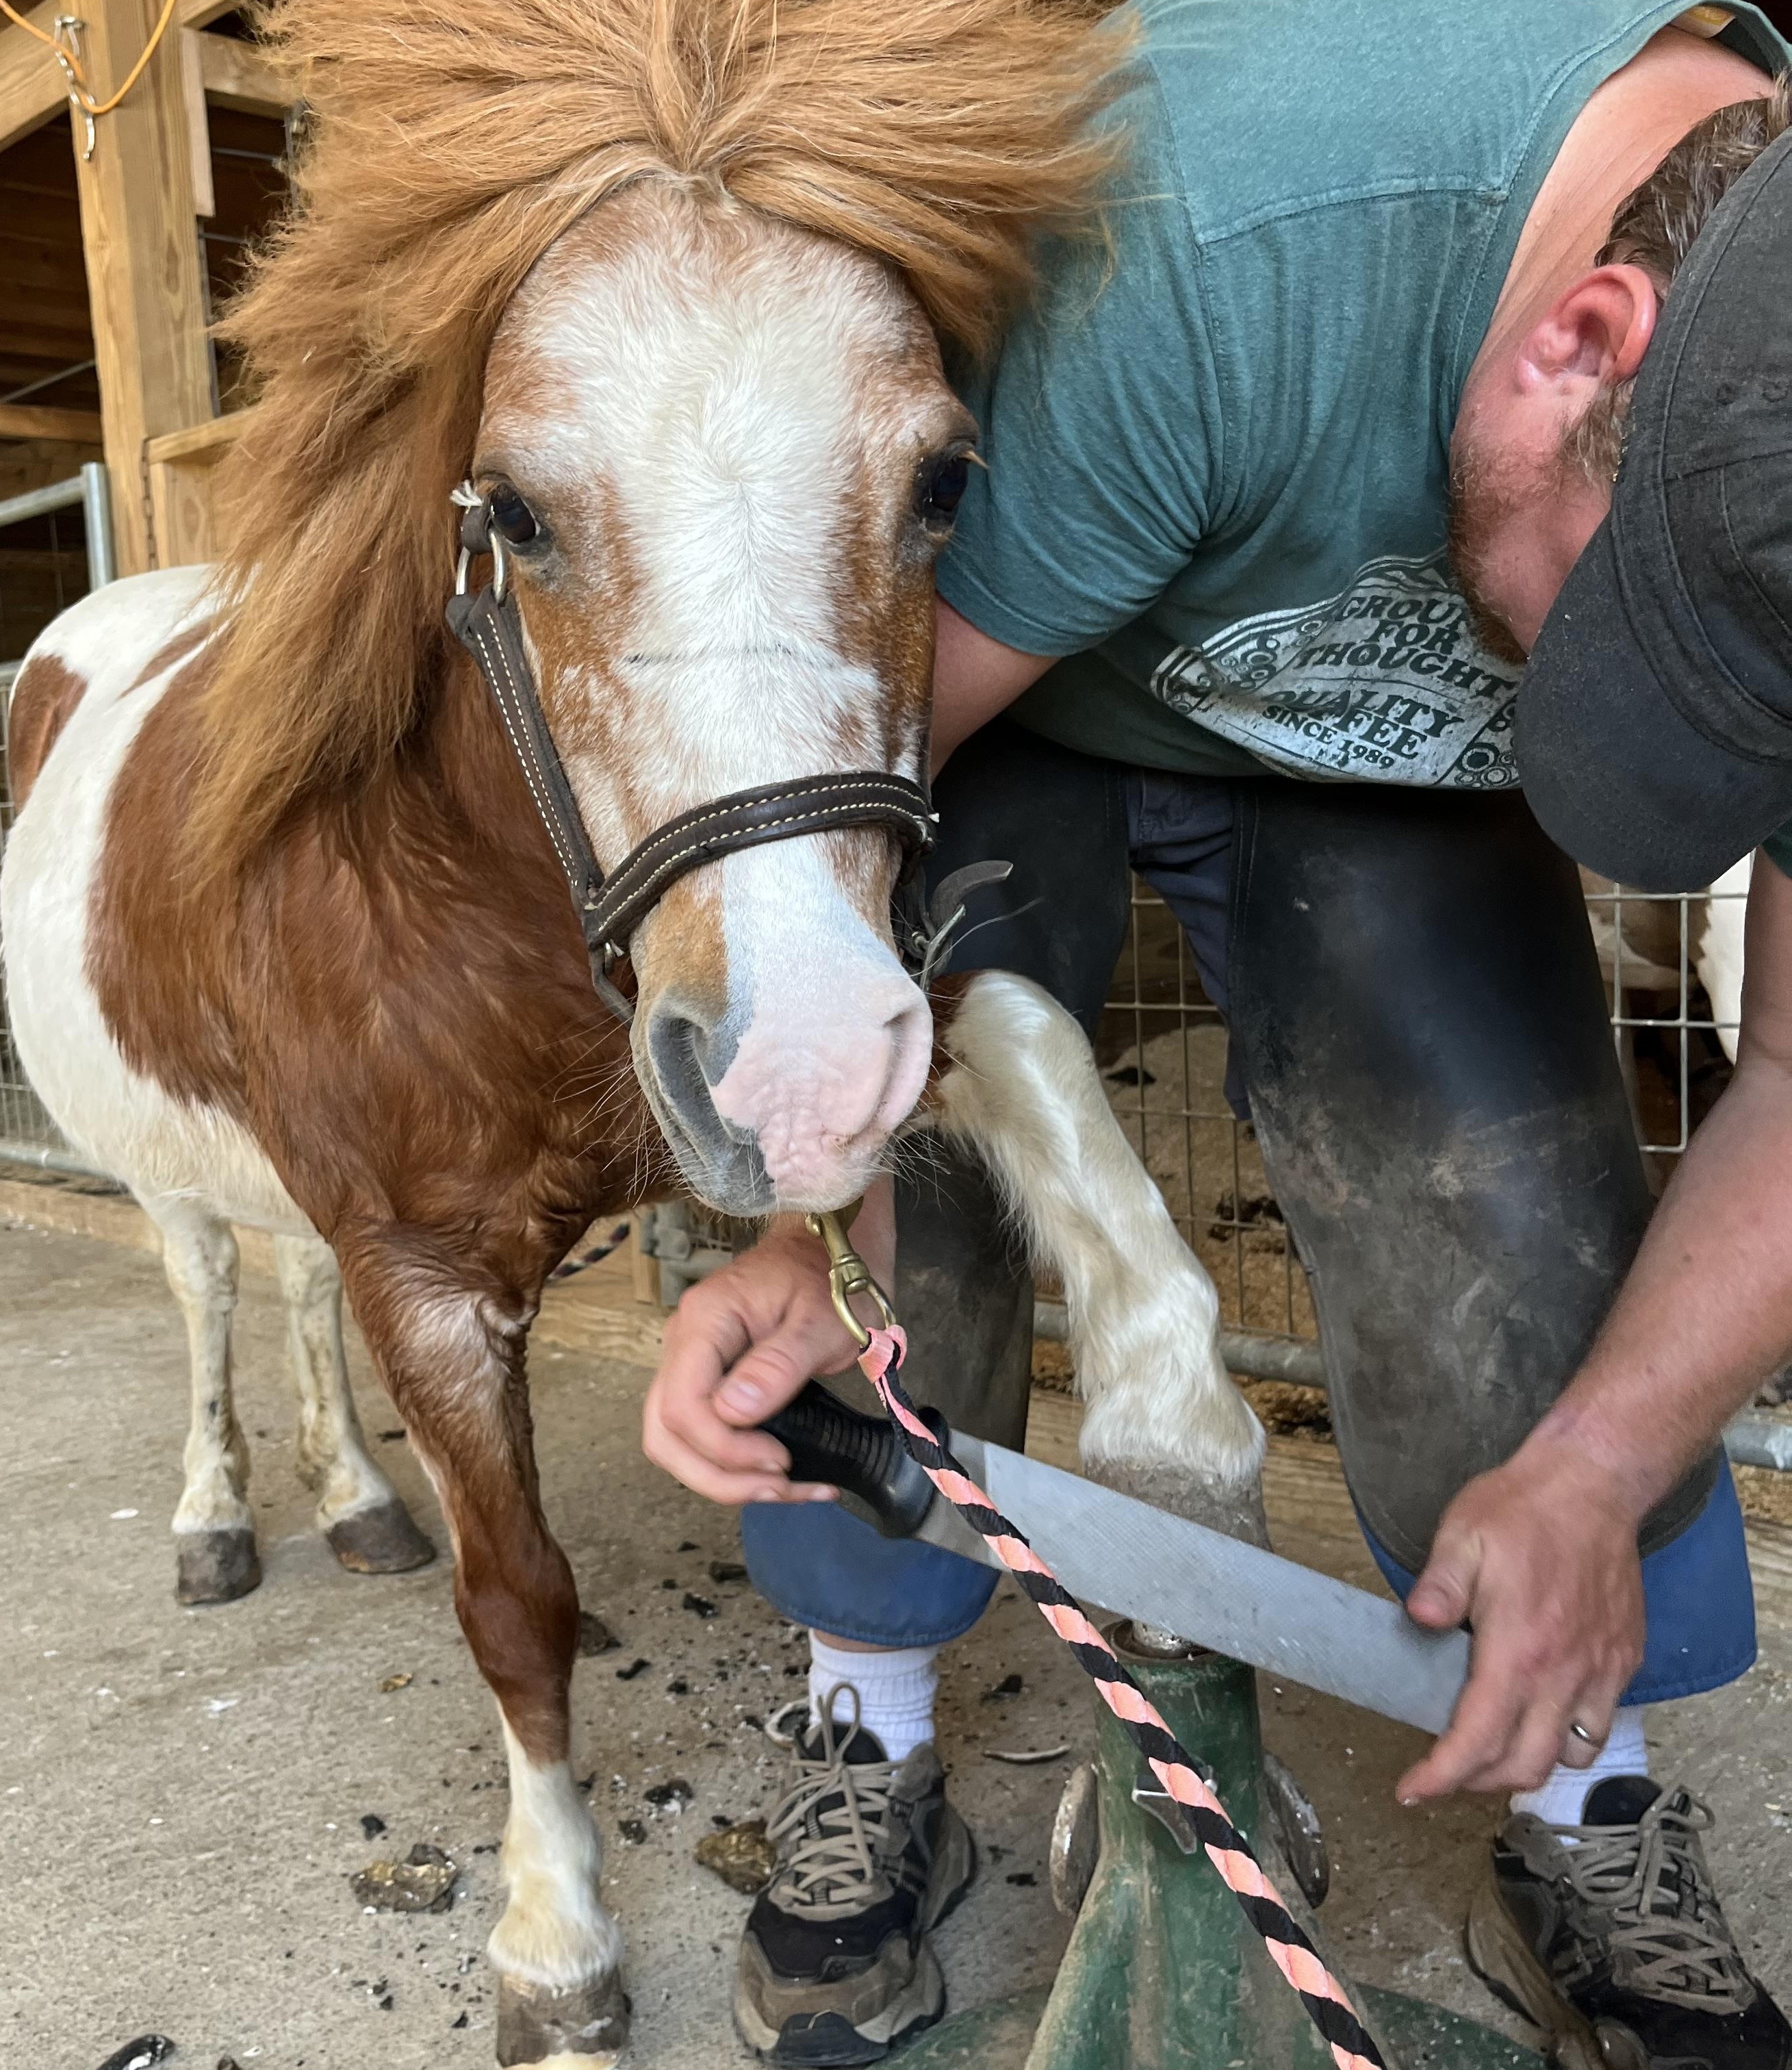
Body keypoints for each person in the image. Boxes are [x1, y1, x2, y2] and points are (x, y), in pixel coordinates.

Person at [639, 6, 1792, 2066]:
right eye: (1632, 629)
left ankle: (1577, 1788)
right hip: (1019, 692)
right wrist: (810, 1235)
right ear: (1588, 338)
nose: (1626, 689)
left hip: (1389, 760)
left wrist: (1602, 1455)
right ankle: (869, 1714)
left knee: (1521, 1219)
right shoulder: (1221, 234)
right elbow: (840, 800)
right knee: (931, 1202)